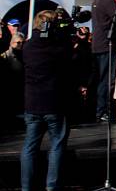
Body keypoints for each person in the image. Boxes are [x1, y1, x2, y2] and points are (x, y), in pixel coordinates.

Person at [20, 11, 72, 191]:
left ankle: (26, 187)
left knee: (29, 146)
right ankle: (52, 186)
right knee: (56, 145)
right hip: (53, 103)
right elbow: (68, 62)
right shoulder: (58, 48)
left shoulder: (28, 47)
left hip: (32, 103)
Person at [91, 0, 116, 122]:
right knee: (107, 80)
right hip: (107, 44)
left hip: (100, 43)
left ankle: (102, 111)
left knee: (103, 79)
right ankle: (103, 111)